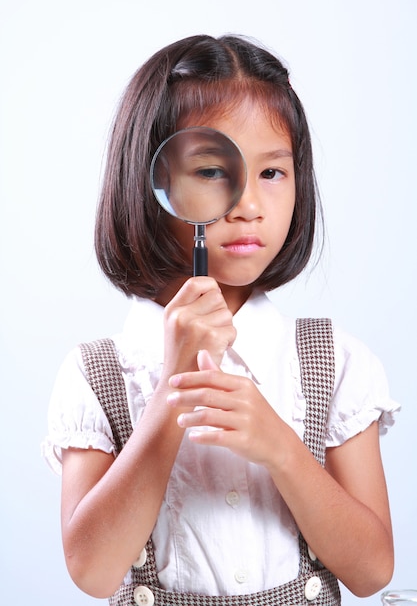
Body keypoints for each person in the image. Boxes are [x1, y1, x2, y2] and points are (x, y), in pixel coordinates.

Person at [43, 34, 400, 605]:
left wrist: (281, 447)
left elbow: (373, 570)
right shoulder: (97, 374)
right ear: (151, 183)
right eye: (213, 170)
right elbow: (93, 571)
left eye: (273, 173)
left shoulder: (335, 363)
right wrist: (169, 395)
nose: (248, 203)